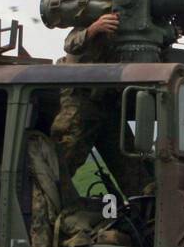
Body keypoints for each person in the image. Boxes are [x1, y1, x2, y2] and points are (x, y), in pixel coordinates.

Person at [50, 12, 154, 195]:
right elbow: (70, 44)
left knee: (131, 166)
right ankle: (46, 202)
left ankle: (146, 213)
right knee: (64, 158)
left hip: (109, 102)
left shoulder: (140, 30)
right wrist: (93, 29)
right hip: (81, 96)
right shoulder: (94, 16)